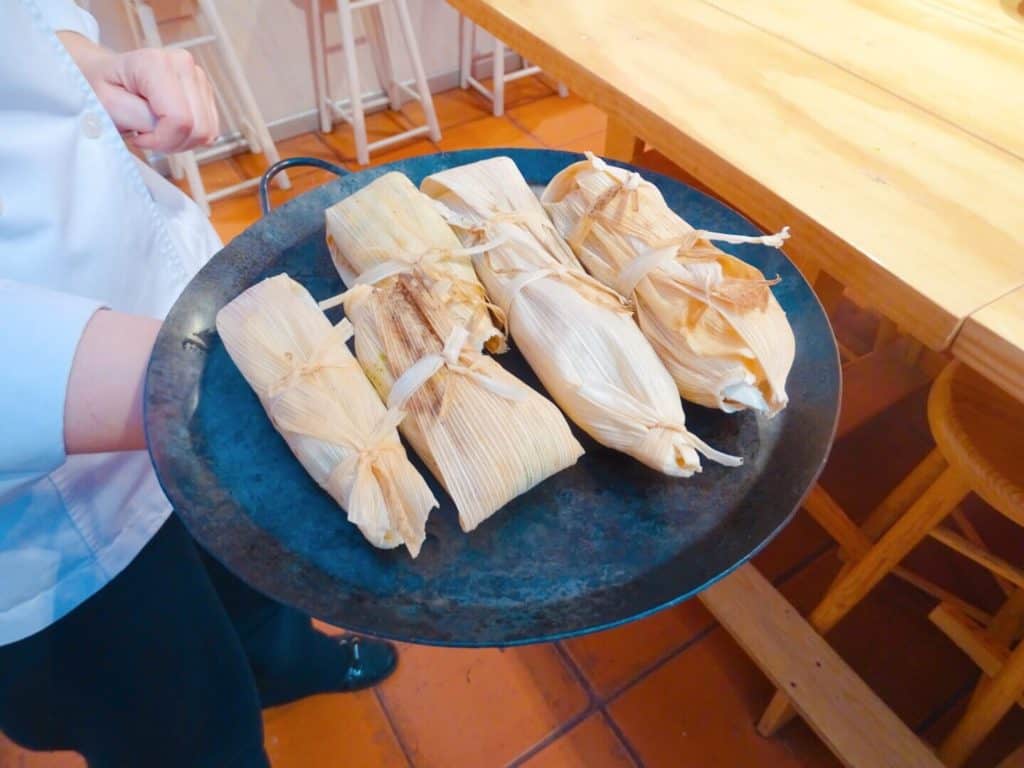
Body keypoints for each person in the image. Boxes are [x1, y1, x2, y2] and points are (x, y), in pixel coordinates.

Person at [0, 2, 397, 765]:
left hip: (152, 300)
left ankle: (282, 663)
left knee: (246, 564)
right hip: (51, 498)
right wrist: (193, 374)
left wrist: (84, 61)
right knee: (181, 722)